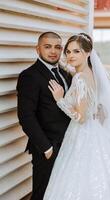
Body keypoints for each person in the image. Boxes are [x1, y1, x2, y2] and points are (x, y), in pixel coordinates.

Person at [43, 33, 110, 200]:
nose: (70, 56)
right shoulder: (91, 72)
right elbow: (93, 102)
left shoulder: (80, 78)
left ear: (88, 53)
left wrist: (60, 100)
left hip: (82, 133)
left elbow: (81, 117)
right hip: (95, 130)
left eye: (76, 51)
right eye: (68, 52)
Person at [16, 32, 72, 200]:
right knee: (43, 193)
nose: (53, 51)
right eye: (47, 47)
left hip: (69, 144)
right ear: (37, 49)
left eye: (57, 47)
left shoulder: (65, 73)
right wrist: (46, 148)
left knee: (62, 191)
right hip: (48, 147)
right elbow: (26, 116)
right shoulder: (30, 76)